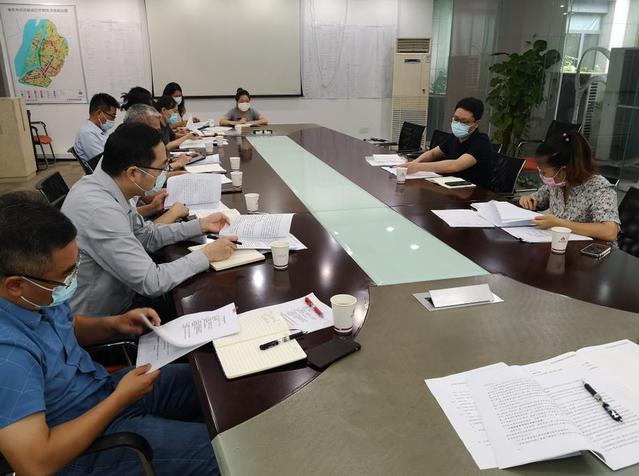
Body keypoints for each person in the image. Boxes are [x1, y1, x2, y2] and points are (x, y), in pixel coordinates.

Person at [0, 192, 218, 475]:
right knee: (229, 456)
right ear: (15, 284)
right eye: (66, 275)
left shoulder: (36, 295)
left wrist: (114, 324)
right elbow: (35, 463)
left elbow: (67, 328)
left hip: (103, 391)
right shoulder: (8, 354)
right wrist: (120, 399)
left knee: (212, 379)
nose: (72, 280)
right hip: (85, 444)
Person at [61, 123, 238, 317]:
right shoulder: (99, 210)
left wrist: (200, 225)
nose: (164, 173)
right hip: (107, 317)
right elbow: (151, 282)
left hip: (125, 294)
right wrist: (206, 255)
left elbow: (145, 235)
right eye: (161, 168)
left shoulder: (110, 185)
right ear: (133, 173)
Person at [519, 131, 619, 242]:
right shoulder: (559, 183)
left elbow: (609, 231)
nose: (542, 175)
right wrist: (529, 200)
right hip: (558, 243)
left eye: (544, 172)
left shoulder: (599, 189)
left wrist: (559, 223)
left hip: (588, 249)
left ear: (564, 170)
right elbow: (540, 198)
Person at [402, 97, 493, 189]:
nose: (458, 124)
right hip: (450, 187)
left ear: (476, 124)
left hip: (474, 192)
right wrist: (414, 162)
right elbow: (433, 153)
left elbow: (455, 165)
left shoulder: (481, 142)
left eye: (464, 122)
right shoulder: (454, 137)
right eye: (456, 119)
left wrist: (418, 167)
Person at [73, 93, 119, 164]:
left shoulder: (100, 128)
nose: (113, 120)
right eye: (112, 116)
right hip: (103, 167)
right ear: (99, 113)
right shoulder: (87, 133)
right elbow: (103, 160)